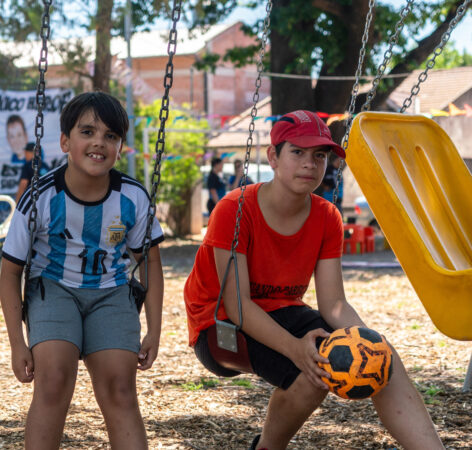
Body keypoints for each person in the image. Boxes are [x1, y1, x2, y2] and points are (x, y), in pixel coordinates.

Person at [184, 110, 444, 450]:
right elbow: (238, 305)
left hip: (284, 312)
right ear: (273, 157)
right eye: (298, 152)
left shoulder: (326, 215)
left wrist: (369, 341)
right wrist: (295, 349)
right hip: (219, 324)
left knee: (382, 355)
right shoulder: (234, 209)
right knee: (314, 369)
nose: (310, 163)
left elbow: (334, 304)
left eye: (319, 155)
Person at [0, 92, 164, 449]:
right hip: (53, 289)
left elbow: (150, 261)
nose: (98, 142)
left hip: (112, 292)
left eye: (110, 135)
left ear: (120, 147)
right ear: (65, 142)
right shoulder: (41, 196)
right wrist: (17, 343)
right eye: (87, 132)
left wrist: (154, 329)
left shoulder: (133, 197)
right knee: (53, 380)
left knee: (120, 388)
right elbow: (10, 272)